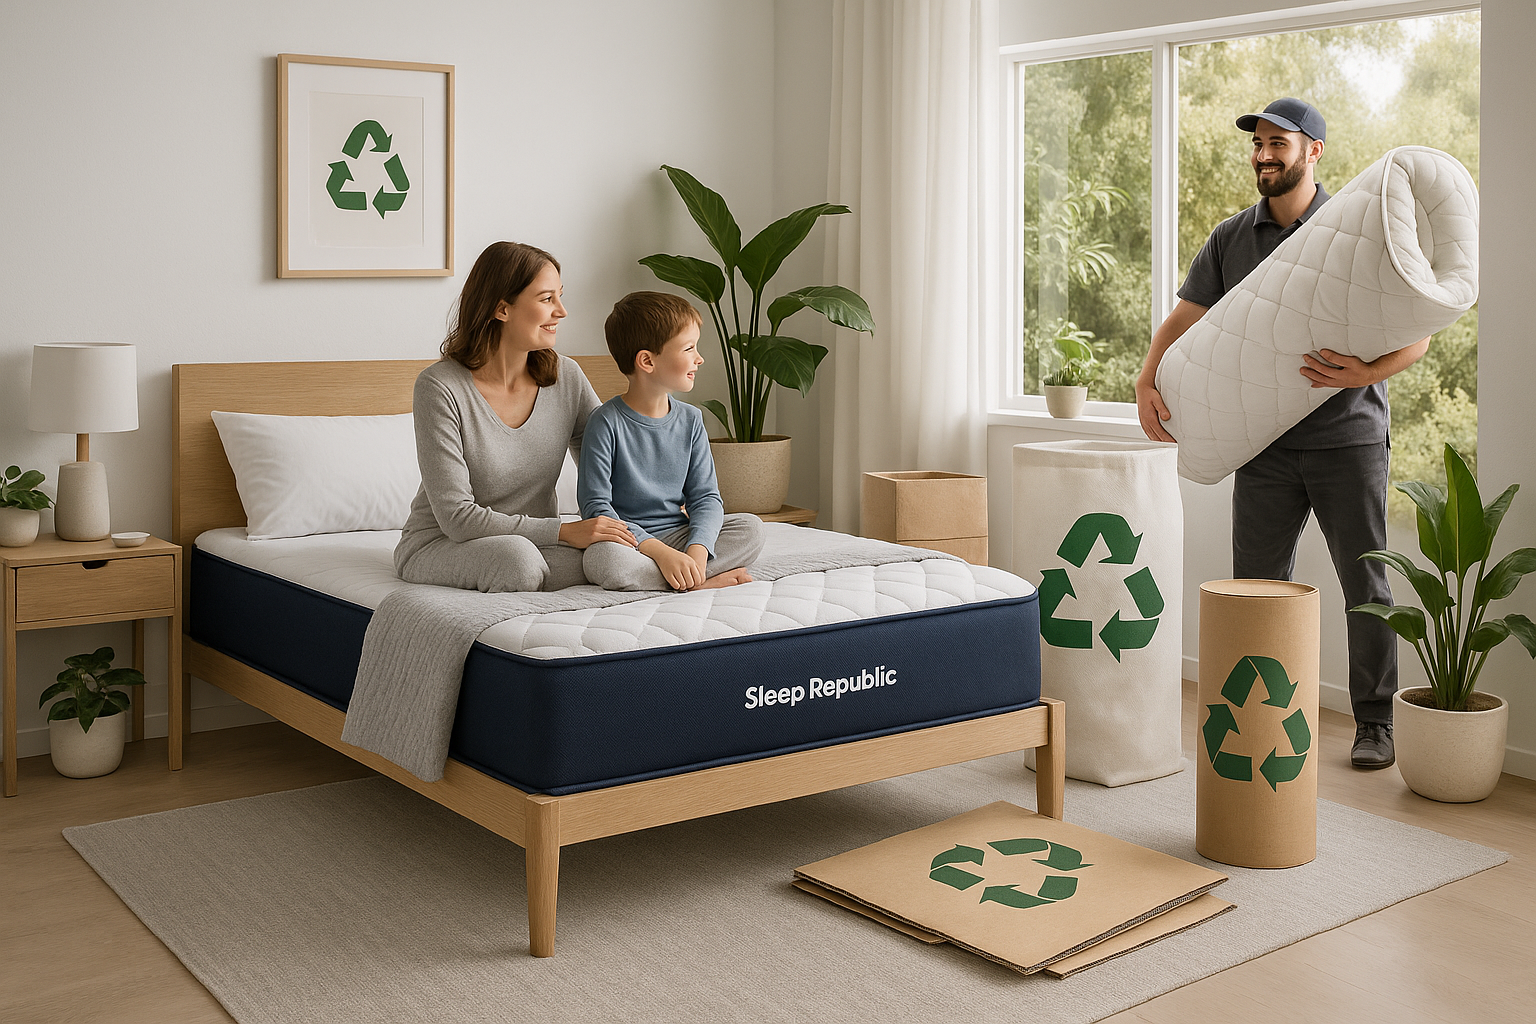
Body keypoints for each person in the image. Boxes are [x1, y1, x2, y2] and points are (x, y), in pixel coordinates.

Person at [1135, 98, 1431, 770]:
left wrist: (1365, 370)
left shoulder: (1356, 229)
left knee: (1367, 588)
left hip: (1348, 440)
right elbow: (1183, 319)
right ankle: (1259, 716)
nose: (1264, 154)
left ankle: (1375, 724)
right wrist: (1146, 379)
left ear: (1314, 151)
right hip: (1262, 445)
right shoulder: (1231, 237)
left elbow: (1418, 336)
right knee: (1256, 587)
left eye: (1278, 143)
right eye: (1258, 144)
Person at [395, 241, 637, 593]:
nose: (562, 311)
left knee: (612, 557)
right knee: (519, 561)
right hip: (443, 545)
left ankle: (698, 577)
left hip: (539, 546)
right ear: (502, 308)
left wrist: (666, 515)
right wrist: (564, 532)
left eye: (560, 296)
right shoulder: (440, 387)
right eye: (546, 299)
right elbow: (458, 519)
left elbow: (609, 465)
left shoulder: (566, 376)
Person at [578, 291, 764, 591]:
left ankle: (684, 576)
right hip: (628, 541)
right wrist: (659, 553)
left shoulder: (691, 420)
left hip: (678, 534)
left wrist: (697, 552)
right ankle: (699, 582)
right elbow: (596, 507)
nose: (699, 358)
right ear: (647, 361)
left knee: (751, 529)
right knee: (603, 560)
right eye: (689, 348)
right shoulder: (605, 422)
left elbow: (705, 498)